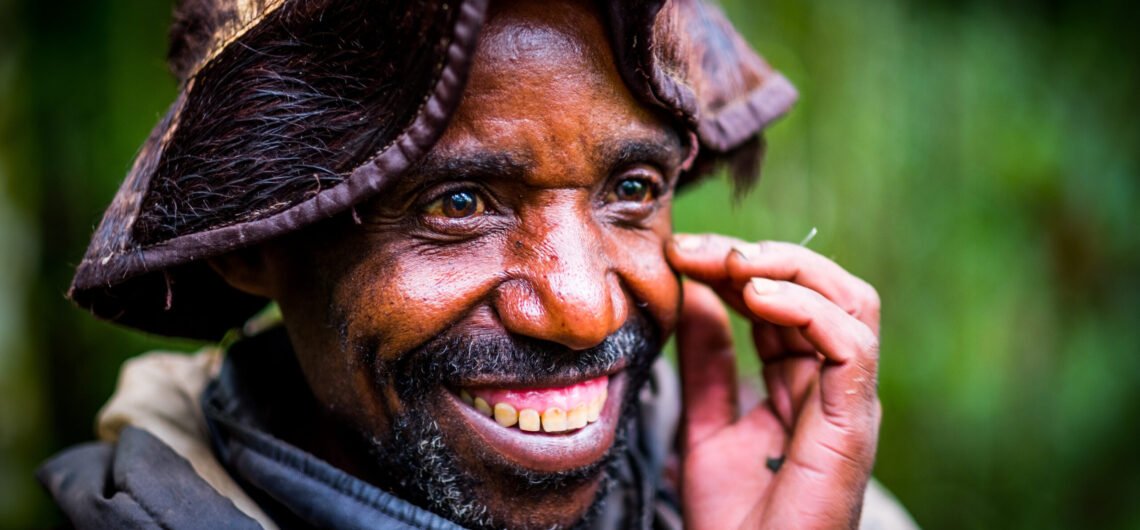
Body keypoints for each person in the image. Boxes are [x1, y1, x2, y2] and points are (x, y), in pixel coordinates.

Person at [39, 0, 918, 528]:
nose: (584, 310)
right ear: (257, 244)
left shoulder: (796, 503)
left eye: (633, 188)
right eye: (457, 203)